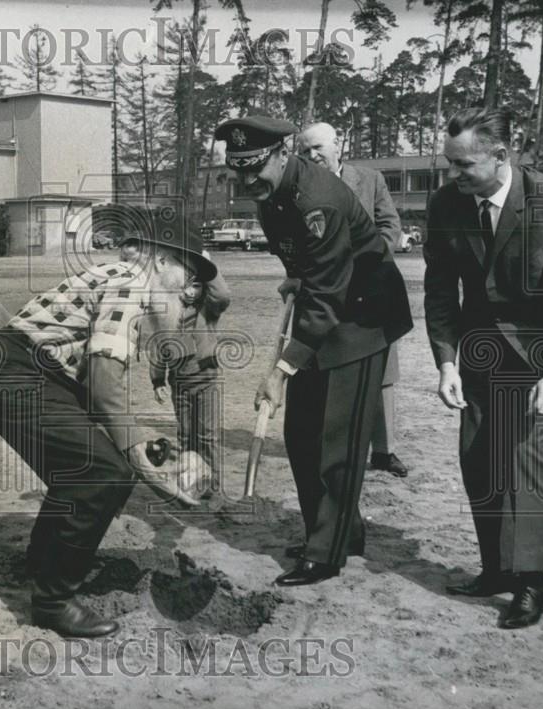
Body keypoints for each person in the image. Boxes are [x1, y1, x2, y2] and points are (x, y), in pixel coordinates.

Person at [0, 209, 215, 638]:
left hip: (16, 370)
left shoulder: (119, 278)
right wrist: (144, 463)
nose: (189, 293)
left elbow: (102, 393)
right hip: (20, 372)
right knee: (102, 472)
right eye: (188, 276)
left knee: (90, 470)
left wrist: (141, 445)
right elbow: (103, 384)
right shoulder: (131, 283)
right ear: (161, 262)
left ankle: (42, 563)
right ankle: (54, 601)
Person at [214, 115, 413, 587]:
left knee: (336, 442)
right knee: (302, 433)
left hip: (363, 318)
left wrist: (280, 370)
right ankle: (342, 532)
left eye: (254, 170)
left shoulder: (316, 199)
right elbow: (307, 263)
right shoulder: (272, 195)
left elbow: (327, 296)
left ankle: (327, 553)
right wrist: (298, 275)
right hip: (326, 302)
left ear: (283, 155)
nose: (246, 183)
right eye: (237, 173)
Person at [424, 106, 543, 629]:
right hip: (478, 355)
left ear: (501, 156)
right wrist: (447, 363)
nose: (454, 176)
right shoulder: (448, 203)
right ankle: (497, 569)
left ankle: (529, 581)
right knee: (478, 457)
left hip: (541, 355)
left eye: (464, 166)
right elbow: (439, 290)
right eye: (449, 165)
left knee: (522, 462)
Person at [296, 121, 409, 478]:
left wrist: (372, 257)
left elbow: (390, 225)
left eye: (318, 147)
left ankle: (385, 451)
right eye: (305, 150)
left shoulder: (370, 180)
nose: (313, 156)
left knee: (383, 371)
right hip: (327, 292)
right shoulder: (300, 189)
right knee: (333, 369)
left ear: (338, 145)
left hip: (373, 287)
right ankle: (345, 446)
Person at [144, 245, 231, 496]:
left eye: (198, 286)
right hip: (179, 384)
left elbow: (223, 294)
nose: (192, 291)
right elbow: (159, 347)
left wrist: (208, 268)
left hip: (206, 381)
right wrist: (157, 380)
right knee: (185, 437)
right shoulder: (168, 310)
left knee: (207, 436)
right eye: (188, 285)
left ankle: (214, 488)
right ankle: (188, 484)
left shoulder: (208, 311)